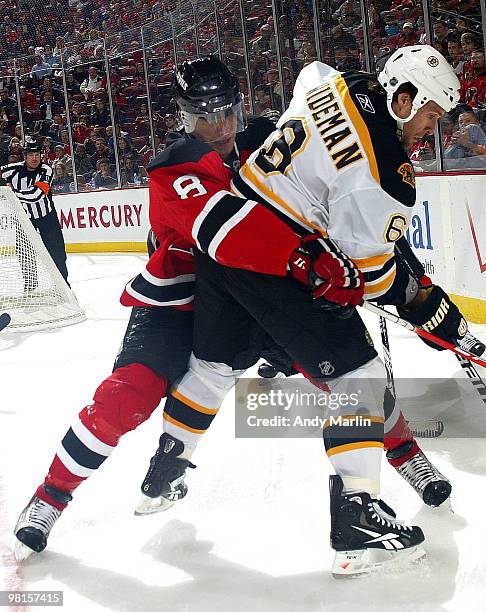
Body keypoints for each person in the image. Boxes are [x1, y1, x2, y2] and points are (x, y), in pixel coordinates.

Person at [13, 55, 455, 571]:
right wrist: (312, 258)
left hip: (260, 290)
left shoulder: (262, 138)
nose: (219, 125)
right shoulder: (175, 167)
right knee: (130, 394)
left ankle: (406, 462)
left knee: (336, 368)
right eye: (203, 114)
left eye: (226, 110)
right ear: (183, 115)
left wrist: (408, 281)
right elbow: (227, 229)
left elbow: (346, 193)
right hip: (182, 297)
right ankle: (50, 498)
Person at [134, 48, 472, 576]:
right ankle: (356, 518)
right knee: (356, 377)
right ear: (403, 101)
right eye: (430, 115)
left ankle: (164, 470)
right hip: (281, 261)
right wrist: (421, 303)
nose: (432, 130)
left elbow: (312, 73)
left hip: (230, 239)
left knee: (214, 366)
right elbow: (368, 275)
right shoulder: (386, 176)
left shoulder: (346, 82)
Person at [0, 139, 69, 285]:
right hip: (24, 219)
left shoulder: (46, 170)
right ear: (25, 156)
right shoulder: (13, 169)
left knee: (57, 253)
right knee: (24, 253)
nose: (34, 158)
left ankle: (63, 285)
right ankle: (30, 284)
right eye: (30, 155)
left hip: (47, 217)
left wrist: (11, 192)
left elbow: (36, 196)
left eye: (37, 154)